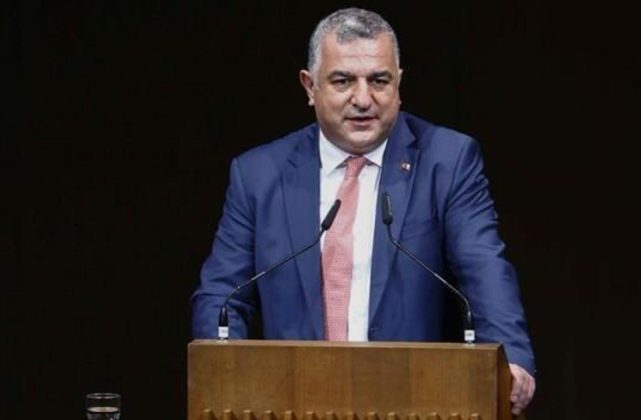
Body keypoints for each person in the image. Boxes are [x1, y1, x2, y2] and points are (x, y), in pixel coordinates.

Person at [192, 8, 535, 414]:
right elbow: (223, 295)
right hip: (292, 401)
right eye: (343, 81)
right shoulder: (258, 174)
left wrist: (510, 356)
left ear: (399, 84)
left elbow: (483, 268)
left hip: (413, 400)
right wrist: (224, 371)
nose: (362, 99)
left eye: (379, 81)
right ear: (309, 86)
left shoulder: (447, 161)